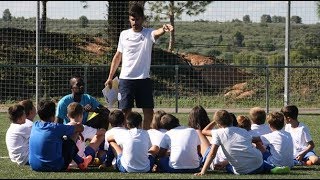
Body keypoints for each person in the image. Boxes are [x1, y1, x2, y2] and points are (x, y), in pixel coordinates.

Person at [105, 4, 174, 130]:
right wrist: (110, 77)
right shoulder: (123, 34)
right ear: (129, 19)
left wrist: (164, 28)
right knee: (125, 112)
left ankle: (146, 137)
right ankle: (128, 138)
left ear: (142, 19)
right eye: (132, 19)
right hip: (126, 80)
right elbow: (117, 57)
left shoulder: (148, 33)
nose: (135, 22)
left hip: (143, 79)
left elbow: (157, 33)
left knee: (148, 112)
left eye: (137, 19)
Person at [195, 110, 289, 176]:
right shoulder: (243, 131)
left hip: (243, 170)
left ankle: (270, 168)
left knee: (228, 167)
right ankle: (272, 168)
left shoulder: (218, 133)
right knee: (253, 157)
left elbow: (211, 154)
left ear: (218, 124)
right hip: (258, 164)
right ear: (232, 120)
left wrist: (203, 171)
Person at [29, 99, 90, 172]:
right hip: (55, 166)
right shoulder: (56, 127)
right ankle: (81, 162)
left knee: (61, 140)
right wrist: (77, 127)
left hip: (34, 165)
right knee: (73, 134)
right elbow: (80, 128)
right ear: (53, 114)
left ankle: (80, 161)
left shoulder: (35, 125)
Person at [66, 102, 106, 170]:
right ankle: (102, 155)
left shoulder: (64, 127)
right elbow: (101, 133)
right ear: (81, 116)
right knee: (101, 135)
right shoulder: (83, 127)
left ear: (67, 116)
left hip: (67, 162)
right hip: (82, 160)